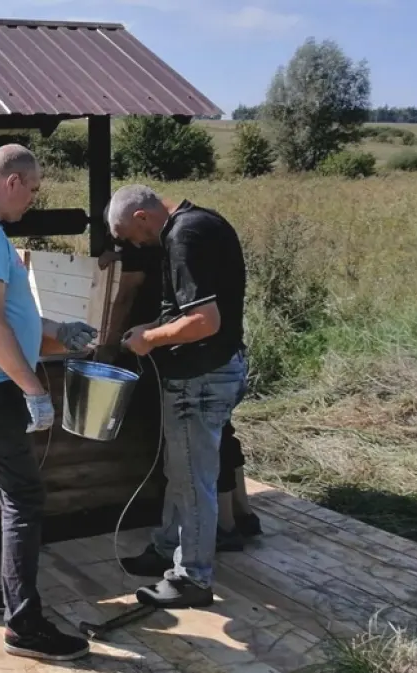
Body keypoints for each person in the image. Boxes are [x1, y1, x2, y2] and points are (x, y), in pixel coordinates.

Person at [0, 144, 98, 663]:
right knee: (24, 498)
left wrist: (56, 330)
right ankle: (24, 626)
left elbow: (7, 310)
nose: (32, 200)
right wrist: (33, 388)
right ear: (11, 182)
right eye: (32, 189)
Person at [107, 184, 249, 609]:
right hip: (208, 371)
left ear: (141, 218)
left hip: (201, 376)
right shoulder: (200, 223)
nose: (134, 245)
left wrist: (149, 337)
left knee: (192, 478)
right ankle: (167, 546)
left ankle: (193, 578)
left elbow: (204, 320)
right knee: (182, 469)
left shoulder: (184, 237)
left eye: (129, 237)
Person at [95, 237, 262, 548]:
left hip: (174, 353)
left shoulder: (153, 243)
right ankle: (243, 514)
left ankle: (223, 528)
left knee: (200, 448)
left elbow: (127, 294)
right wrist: (119, 254)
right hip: (220, 354)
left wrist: (109, 344)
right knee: (221, 433)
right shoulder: (182, 238)